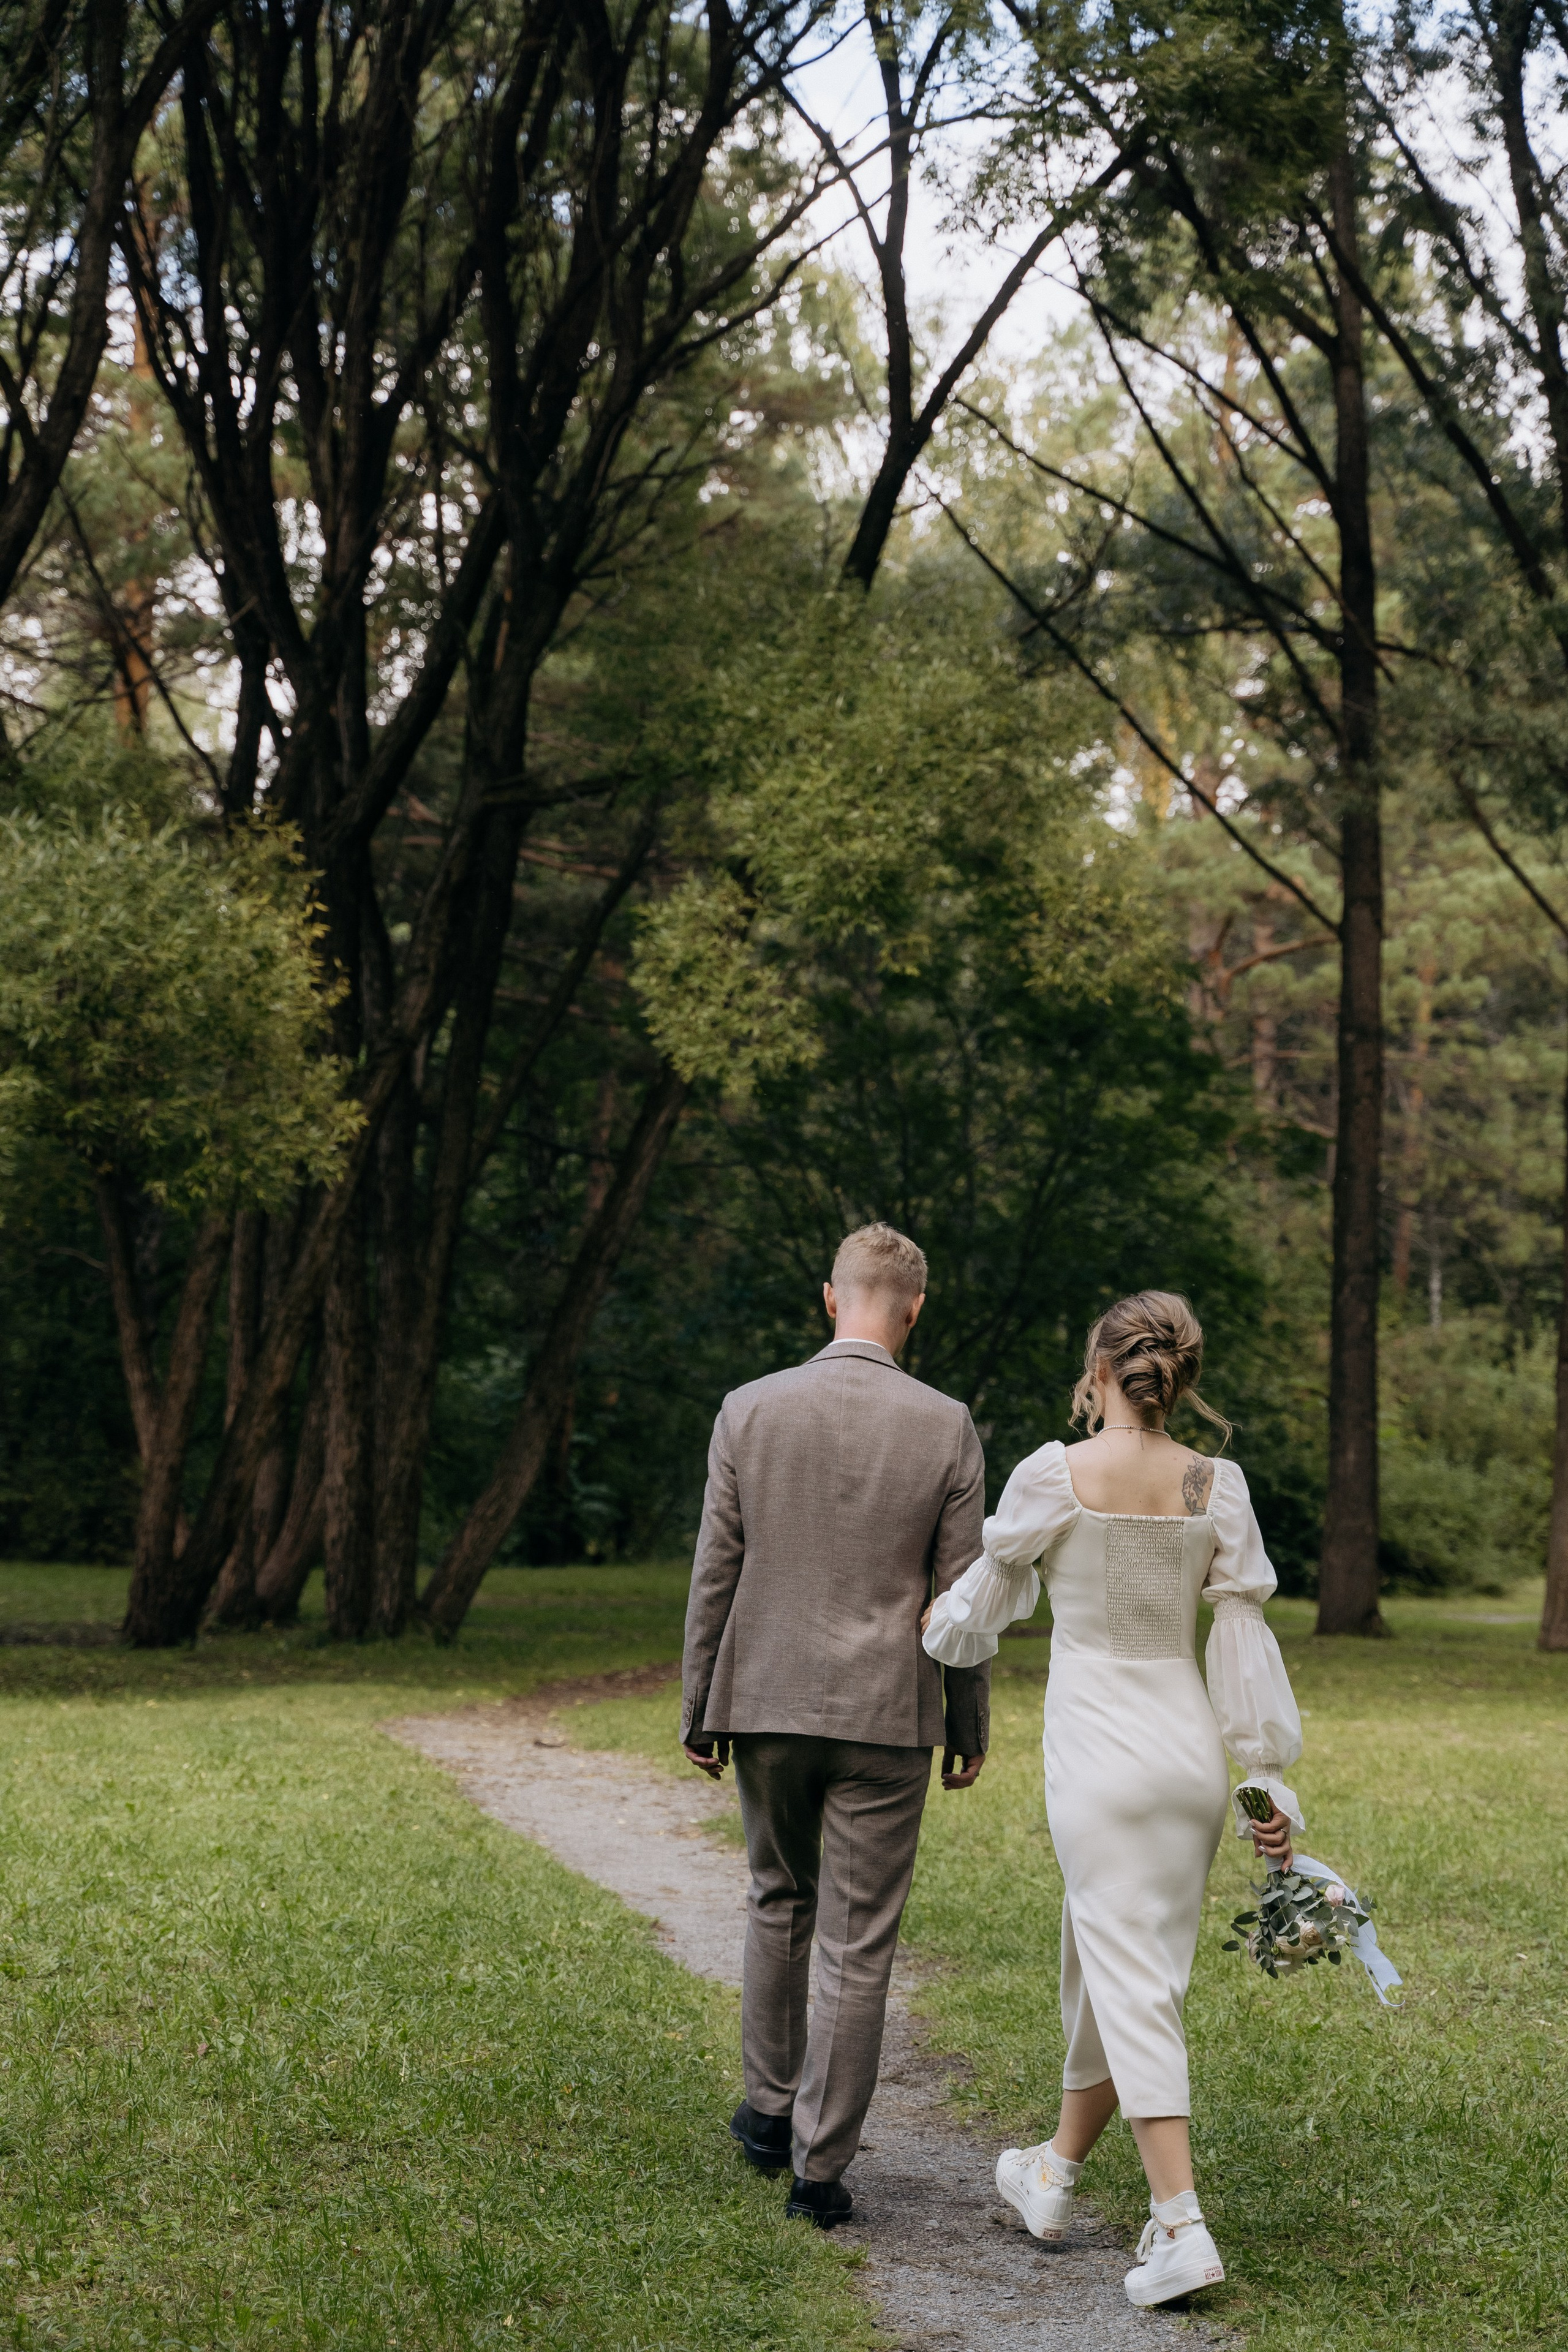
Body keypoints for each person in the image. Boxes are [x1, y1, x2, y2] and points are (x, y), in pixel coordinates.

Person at [922, 1290, 1303, 2309]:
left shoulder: (1055, 1473)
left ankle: (1181, 2227)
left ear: (1099, 1373)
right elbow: (1239, 1641)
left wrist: (939, 1622)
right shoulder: (1217, 1487)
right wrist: (1260, 1774)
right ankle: (1052, 2173)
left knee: (1132, 1978)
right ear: (1176, 1378)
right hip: (1186, 1761)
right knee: (1110, 1958)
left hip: (1095, 1756)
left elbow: (976, 1615)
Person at [680, 1221, 989, 2227]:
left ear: (830, 1299)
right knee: (859, 1941)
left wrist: (700, 1701)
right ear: (914, 1310)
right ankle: (820, 2170)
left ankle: (767, 2113)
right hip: (888, 1714)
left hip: (765, 1697)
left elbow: (716, 1566)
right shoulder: (946, 1425)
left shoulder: (749, 1408)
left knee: (777, 1896)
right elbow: (963, 1595)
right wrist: (967, 1718)